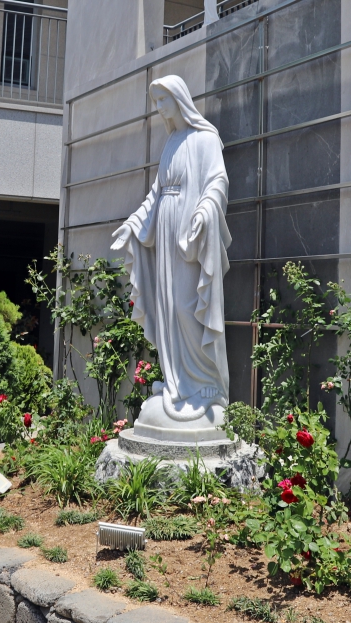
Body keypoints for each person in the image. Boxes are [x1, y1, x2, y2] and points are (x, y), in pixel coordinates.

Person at [110, 75, 231, 436]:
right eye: (157, 102)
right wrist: (134, 224)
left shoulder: (205, 138)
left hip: (188, 234)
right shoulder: (171, 143)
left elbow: (217, 181)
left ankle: (206, 383)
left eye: (164, 100)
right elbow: (156, 193)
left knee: (185, 304)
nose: (160, 109)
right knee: (166, 309)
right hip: (164, 231)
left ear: (180, 99)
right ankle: (177, 380)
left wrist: (205, 210)